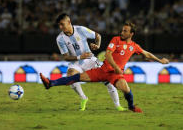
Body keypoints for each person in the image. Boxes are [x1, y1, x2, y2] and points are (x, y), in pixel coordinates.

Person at [41, 22, 169, 113]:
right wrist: (116, 67)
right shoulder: (116, 40)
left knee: (126, 90)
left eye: (125, 31)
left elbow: (146, 53)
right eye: (122, 30)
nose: (122, 32)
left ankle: (131, 107)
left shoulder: (134, 46)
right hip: (102, 70)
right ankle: (50, 83)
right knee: (75, 77)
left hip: (115, 75)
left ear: (132, 33)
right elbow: (108, 55)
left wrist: (159, 60)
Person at [53, 13, 125, 111]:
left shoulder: (80, 30)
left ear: (69, 22)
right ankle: (83, 98)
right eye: (59, 25)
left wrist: (97, 45)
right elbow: (66, 57)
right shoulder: (60, 39)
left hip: (90, 60)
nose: (61, 27)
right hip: (76, 62)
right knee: (70, 76)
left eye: (62, 24)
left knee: (108, 79)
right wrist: (80, 57)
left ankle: (117, 105)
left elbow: (97, 36)